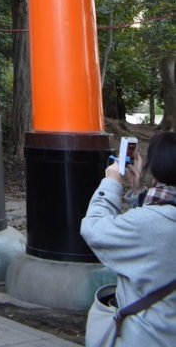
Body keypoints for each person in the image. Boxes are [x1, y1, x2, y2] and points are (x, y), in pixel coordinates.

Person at [80, 131, 176, 345]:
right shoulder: (157, 219)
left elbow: (93, 229)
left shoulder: (147, 223)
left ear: (154, 169)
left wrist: (111, 183)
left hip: (148, 336)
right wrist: (140, 191)